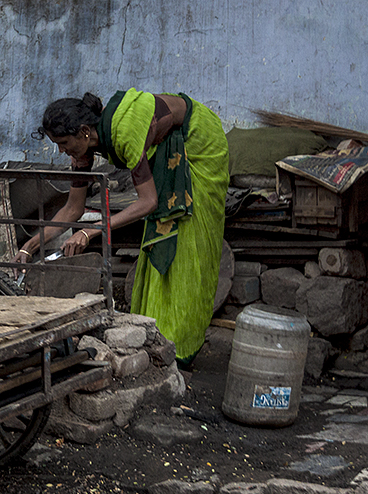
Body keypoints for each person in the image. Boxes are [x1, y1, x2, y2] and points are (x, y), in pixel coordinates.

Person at [13, 88, 229, 367]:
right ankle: (155, 337)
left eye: (64, 143)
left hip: (198, 143)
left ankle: (180, 347)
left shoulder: (125, 133)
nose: (61, 151)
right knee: (161, 235)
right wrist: (28, 248)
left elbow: (148, 201)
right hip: (166, 146)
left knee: (186, 241)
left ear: (85, 132)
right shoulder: (83, 149)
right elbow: (73, 209)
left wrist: (93, 230)